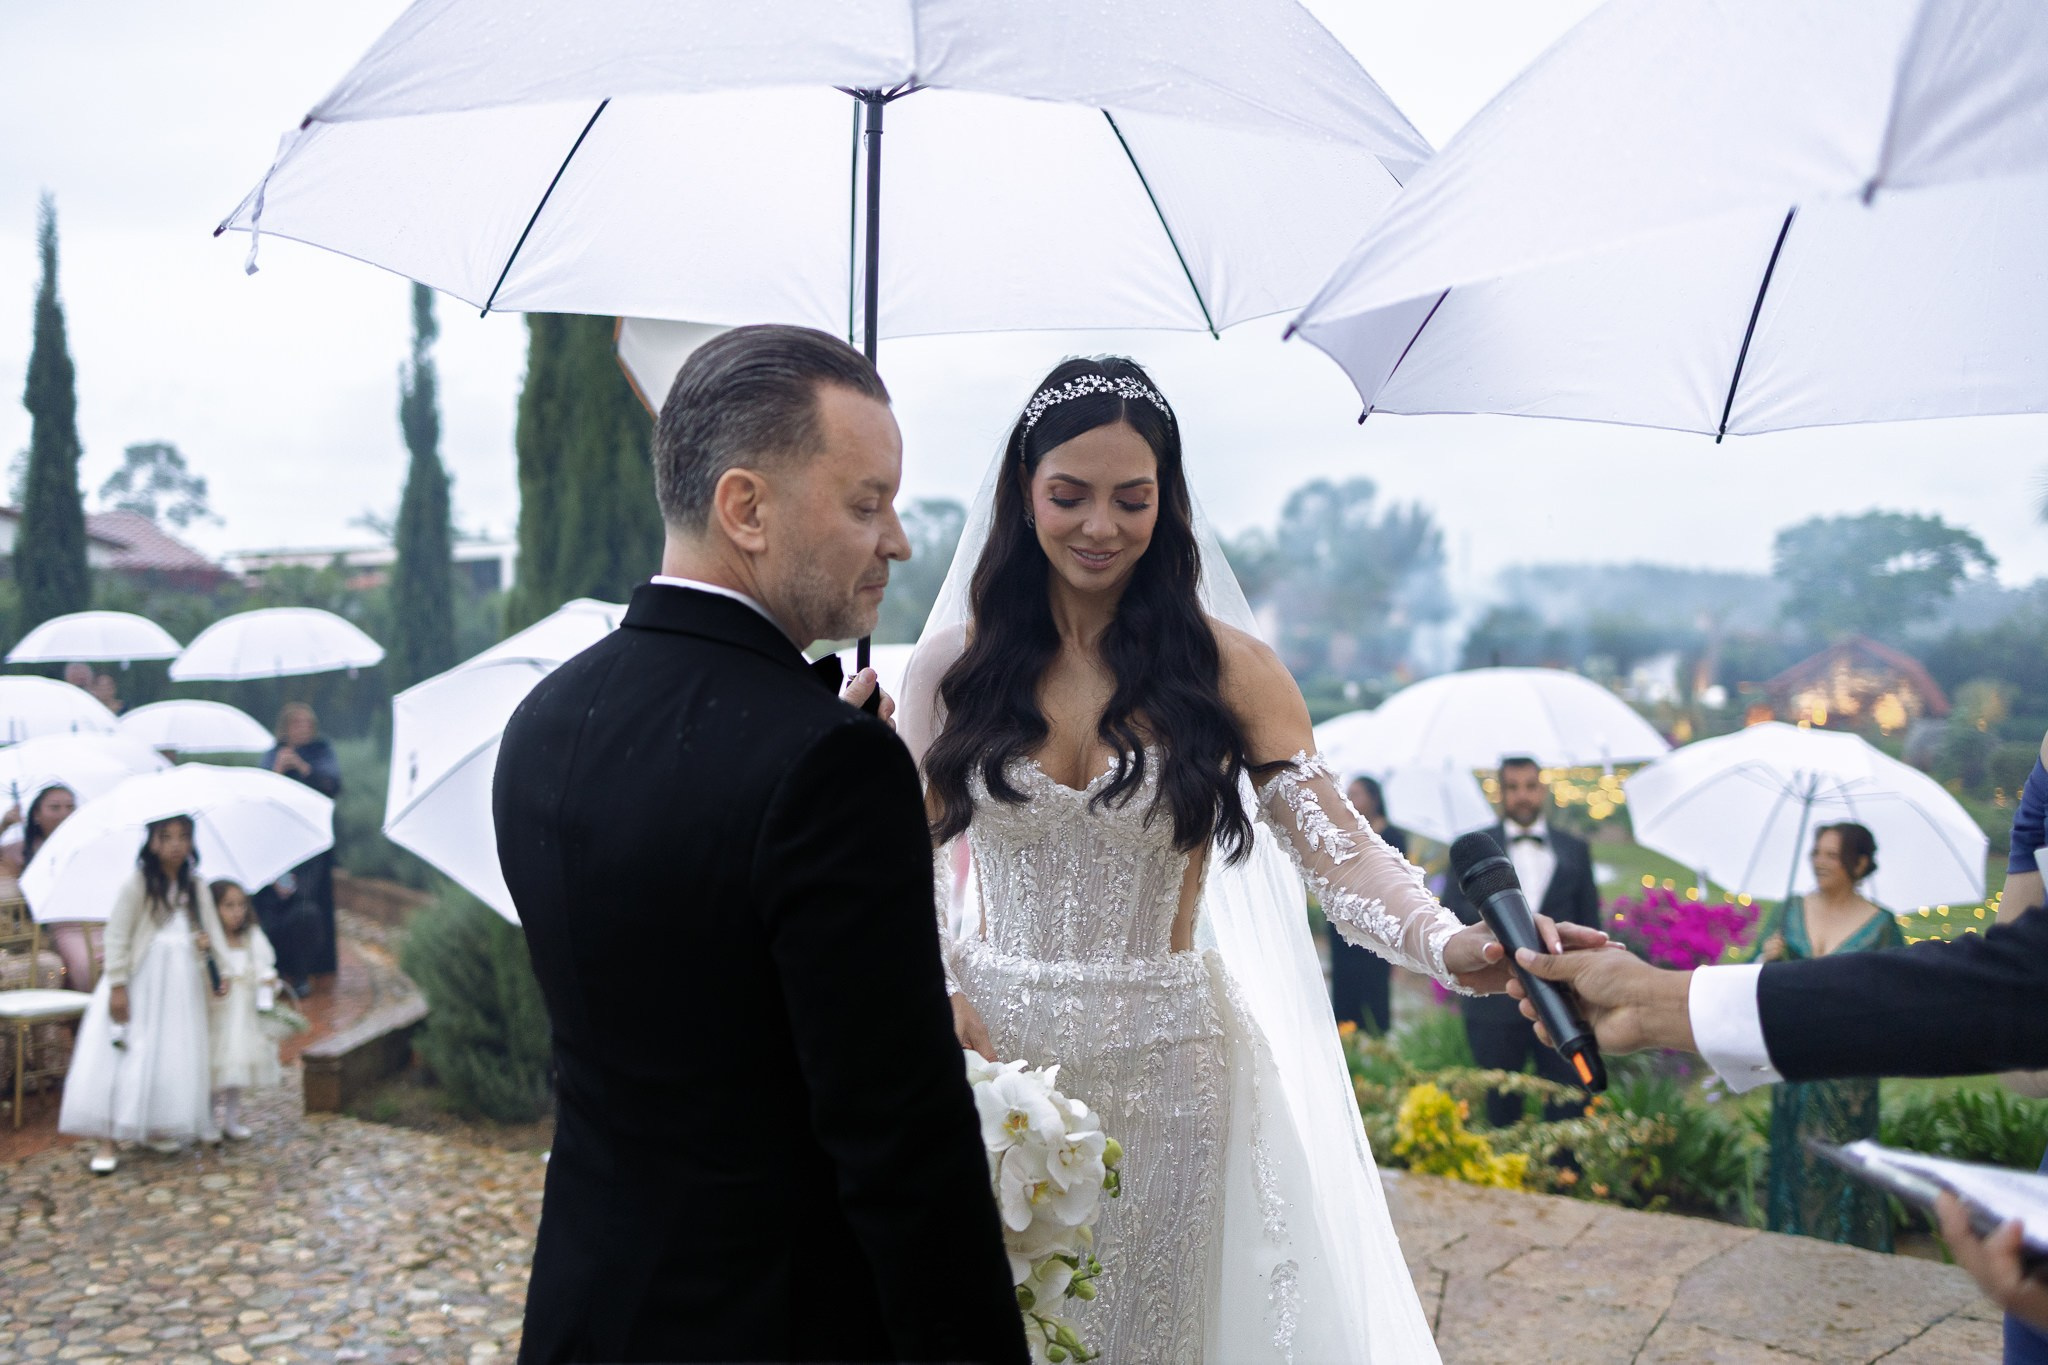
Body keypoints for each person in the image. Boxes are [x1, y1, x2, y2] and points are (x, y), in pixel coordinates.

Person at [900, 356, 1603, 1364]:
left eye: (1130, 499)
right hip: (990, 1058)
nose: (1099, 526)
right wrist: (930, 990)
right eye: (1069, 496)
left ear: (1167, 503)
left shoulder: (1228, 669)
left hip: (1167, 1067)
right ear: (1023, 496)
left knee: (1151, 1331)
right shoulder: (951, 670)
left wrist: (1449, 946)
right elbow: (896, 866)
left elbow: (1337, 850)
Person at [493, 325, 1025, 1365]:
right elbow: (899, 1148)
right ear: (745, 508)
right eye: (866, 503)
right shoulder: (828, 767)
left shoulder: (542, 720)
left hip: (585, 1312)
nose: (898, 540)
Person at [1744, 822, 1902, 1250]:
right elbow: (1746, 978)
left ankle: (1848, 1257)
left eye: (1831, 855)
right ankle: (1793, 1253)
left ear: (1860, 862)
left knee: (1843, 1168)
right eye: (1816, 852)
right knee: (1794, 1164)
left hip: (1848, 1073)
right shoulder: (1790, 911)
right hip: (1793, 1065)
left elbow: (1899, 999)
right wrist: (1766, 957)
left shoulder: (1882, 925)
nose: (1818, 861)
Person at [58, 816, 229, 1174]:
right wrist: (118, 985)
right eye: (166, 837)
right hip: (142, 977)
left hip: (180, 981)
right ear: (151, 842)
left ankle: (154, 1124)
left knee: (167, 1050)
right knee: (125, 1051)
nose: (175, 844)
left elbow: (211, 929)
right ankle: (107, 1139)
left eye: (183, 837)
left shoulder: (195, 886)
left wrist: (219, 965)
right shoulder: (137, 885)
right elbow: (117, 935)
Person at [1442, 756, 1604, 1127]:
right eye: (1513, 787)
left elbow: (1590, 920)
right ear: (1501, 793)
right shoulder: (1474, 848)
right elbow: (1453, 915)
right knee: (1500, 1107)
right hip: (1494, 1003)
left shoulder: (1575, 849)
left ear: (1542, 789)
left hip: (1561, 1002)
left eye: (1530, 786)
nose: (1522, 796)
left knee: (1567, 1105)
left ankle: (1562, 1181)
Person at [256, 703, 341, 995]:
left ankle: (310, 966)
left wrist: (304, 768)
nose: (302, 728)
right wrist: (279, 769)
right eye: (296, 723)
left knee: (309, 905)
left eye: (306, 723)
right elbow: (261, 789)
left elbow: (332, 784)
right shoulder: (273, 753)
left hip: (312, 843)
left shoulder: (321, 751)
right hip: (278, 841)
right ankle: (276, 965)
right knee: (274, 904)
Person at [1327, 775, 1405, 1034]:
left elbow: (1399, 882)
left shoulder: (1392, 835)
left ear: (1374, 798)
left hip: (1378, 924)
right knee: (1345, 991)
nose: (1351, 798)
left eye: (1357, 793)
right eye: (1348, 793)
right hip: (1346, 926)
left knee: (1374, 990)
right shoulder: (1342, 833)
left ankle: (1375, 1040)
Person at [206, 879, 280, 1141]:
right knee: (214, 1066)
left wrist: (268, 980)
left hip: (243, 1013)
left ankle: (231, 1119)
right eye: (229, 906)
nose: (237, 912)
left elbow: (263, 966)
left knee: (237, 1067)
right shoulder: (209, 943)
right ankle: (208, 1119)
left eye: (241, 905)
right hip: (218, 1012)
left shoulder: (251, 938)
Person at [3, 785, 95, 989]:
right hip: (56, 928)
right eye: (55, 807)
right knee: (85, 967)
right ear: (36, 815)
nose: (64, 813)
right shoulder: (19, 850)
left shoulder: (88, 846)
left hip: (93, 921)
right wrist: (5, 825)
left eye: (70, 807)